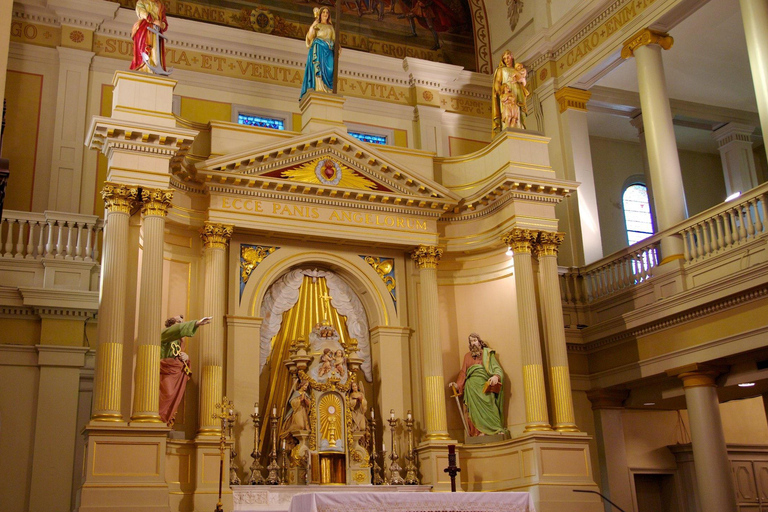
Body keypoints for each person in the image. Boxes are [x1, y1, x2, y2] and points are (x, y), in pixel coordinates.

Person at [451, 333, 506, 436]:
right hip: (471, 387)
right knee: (474, 411)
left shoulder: (488, 353)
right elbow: (463, 373)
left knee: (490, 405)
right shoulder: (467, 356)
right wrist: (457, 385)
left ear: (480, 342)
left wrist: (496, 376)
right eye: (471, 341)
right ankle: (479, 432)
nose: (473, 343)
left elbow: (497, 368)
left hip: (485, 385)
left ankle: (496, 429)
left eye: (475, 340)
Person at [160, 315, 211, 426]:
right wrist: (196, 323)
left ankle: (167, 421)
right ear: (171, 325)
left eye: (182, 322)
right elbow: (175, 331)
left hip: (177, 373)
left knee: (174, 398)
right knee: (167, 395)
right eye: (178, 322)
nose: (182, 323)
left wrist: (186, 358)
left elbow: (179, 355)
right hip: (166, 372)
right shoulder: (164, 334)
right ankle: (160, 419)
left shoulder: (180, 341)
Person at [492, 50, 530, 135]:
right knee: (508, 113)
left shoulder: (516, 70)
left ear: (512, 57)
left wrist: (520, 79)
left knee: (517, 112)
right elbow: (497, 82)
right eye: (504, 58)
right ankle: (507, 129)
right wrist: (500, 91)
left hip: (517, 92)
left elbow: (523, 82)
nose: (507, 60)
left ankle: (519, 128)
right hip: (506, 91)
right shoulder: (501, 70)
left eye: (508, 57)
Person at [300, 7, 335, 99]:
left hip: (328, 51)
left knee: (330, 70)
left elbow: (334, 40)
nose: (325, 14)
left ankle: (328, 89)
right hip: (319, 49)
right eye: (323, 12)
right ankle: (319, 86)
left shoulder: (331, 27)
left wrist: (337, 47)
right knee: (318, 68)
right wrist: (313, 25)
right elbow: (310, 36)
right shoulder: (317, 25)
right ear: (320, 14)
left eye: (327, 12)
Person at [130, 0, 169, 74]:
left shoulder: (160, 5)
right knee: (144, 48)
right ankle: (144, 67)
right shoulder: (141, 2)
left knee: (155, 51)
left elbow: (164, 22)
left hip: (157, 31)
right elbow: (142, 12)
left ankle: (155, 68)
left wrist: (162, 24)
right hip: (144, 29)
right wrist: (154, 20)